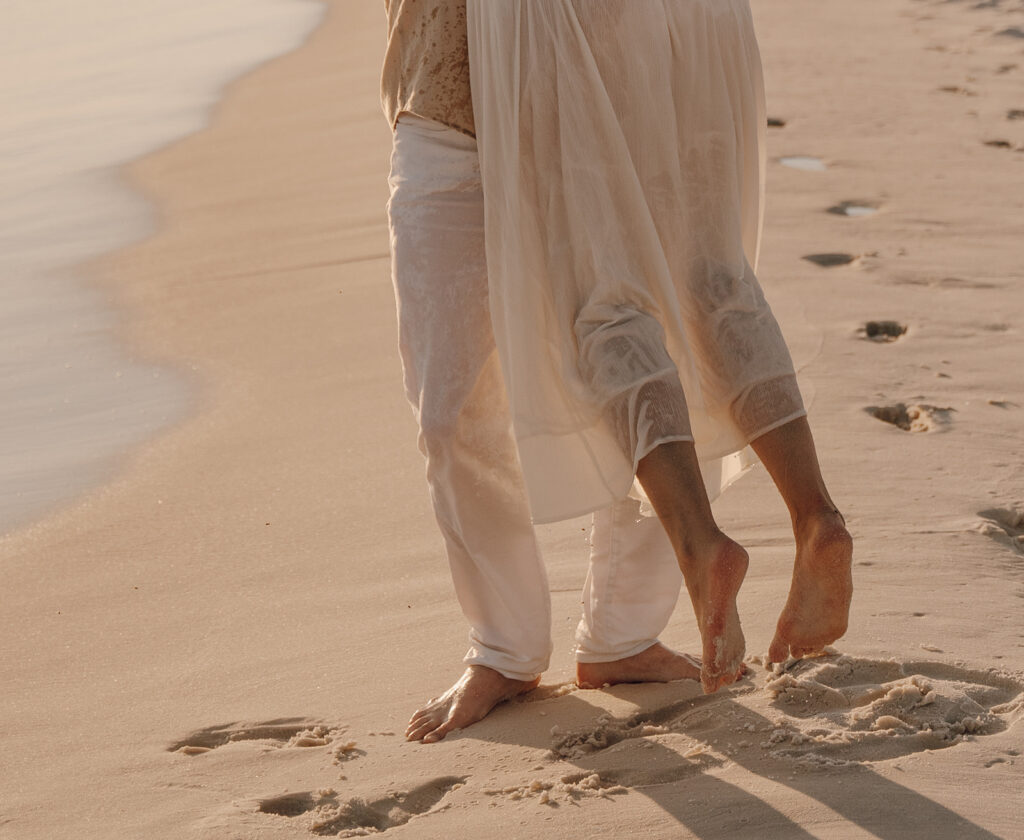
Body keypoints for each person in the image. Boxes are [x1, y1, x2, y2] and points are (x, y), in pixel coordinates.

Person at [381, 0, 853, 745]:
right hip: (457, 104)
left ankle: (623, 632)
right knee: (457, 406)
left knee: (636, 333)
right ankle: (508, 647)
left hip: (604, 79)